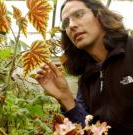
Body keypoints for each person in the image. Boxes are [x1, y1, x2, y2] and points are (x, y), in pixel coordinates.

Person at [36, 0, 133, 134]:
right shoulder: (87, 78)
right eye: (66, 23)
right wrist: (65, 97)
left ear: (100, 15)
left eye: (79, 14)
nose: (72, 26)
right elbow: (88, 130)